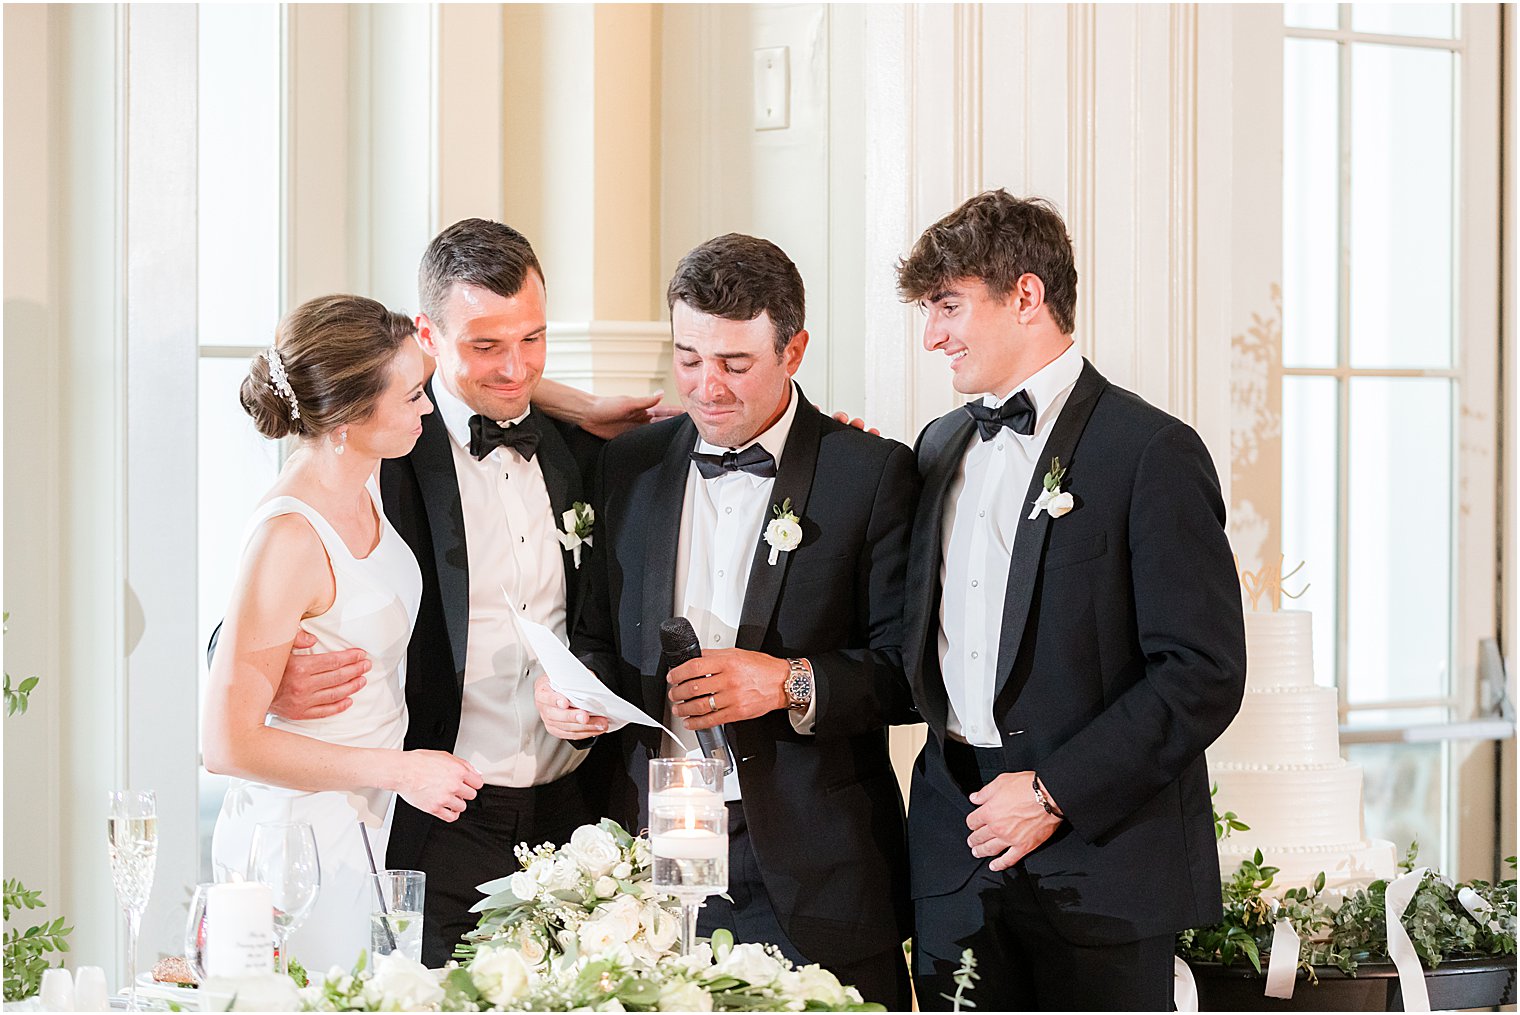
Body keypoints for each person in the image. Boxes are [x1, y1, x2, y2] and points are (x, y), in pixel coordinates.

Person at [536, 234, 919, 1008]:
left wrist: (789, 682)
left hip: (818, 859)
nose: (706, 387)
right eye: (687, 358)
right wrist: (571, 698)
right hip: (656, 847)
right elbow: (600, 639)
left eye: (735, 364)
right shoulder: (629, 464)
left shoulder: (872, 473)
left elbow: (907, 672)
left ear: (795, 349)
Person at [896, 190, 1246, 1010]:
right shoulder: (938, 445)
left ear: (1026, 296)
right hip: (955, 850)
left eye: (948, 305)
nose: (931, 335)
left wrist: (1053, 792)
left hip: (1102, 860)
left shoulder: (1151, 451)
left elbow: (1201, 671)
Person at [203, 294, 485, 973]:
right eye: (414, 396)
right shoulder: (290, 536)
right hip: (299, 843)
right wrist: (400, 768)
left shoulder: (365, 477)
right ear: (350, 419)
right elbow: (225, 742)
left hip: (361, 821)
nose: (427, 407)